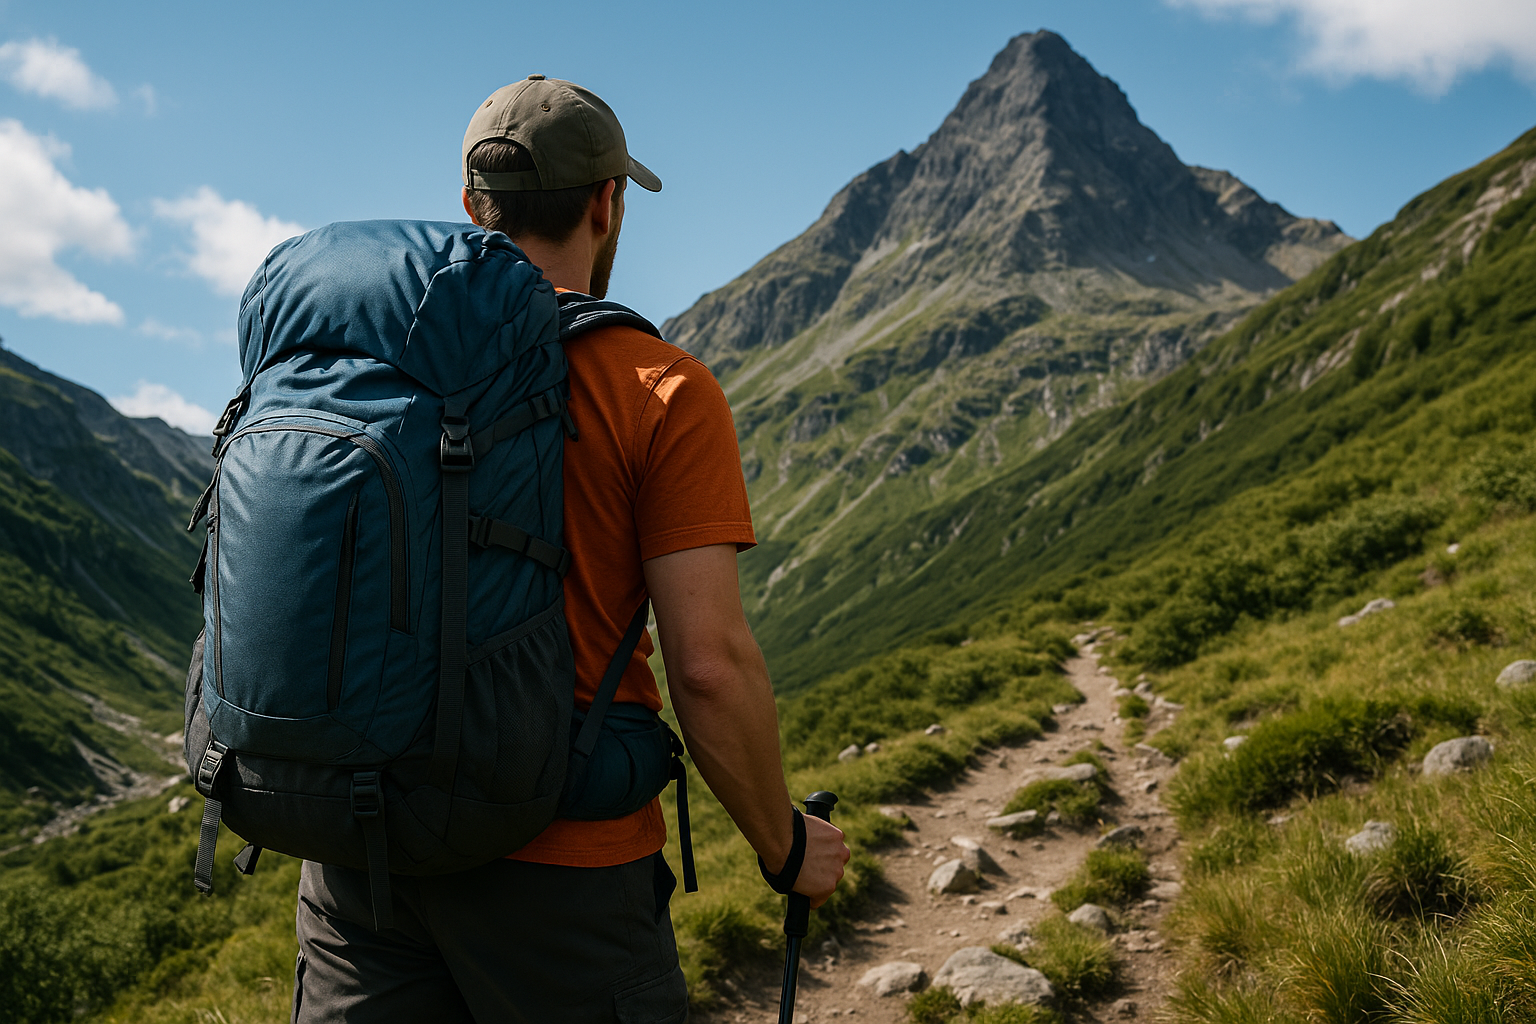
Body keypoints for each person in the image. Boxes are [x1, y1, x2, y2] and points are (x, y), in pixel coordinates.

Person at [290, 75, 850, 1023]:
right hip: (566, 876)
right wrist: (783, 846)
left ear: (472, 207)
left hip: (358, 859)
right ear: (607, 202)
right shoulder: (658, 387)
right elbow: (706, 669)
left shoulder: (373, 370)